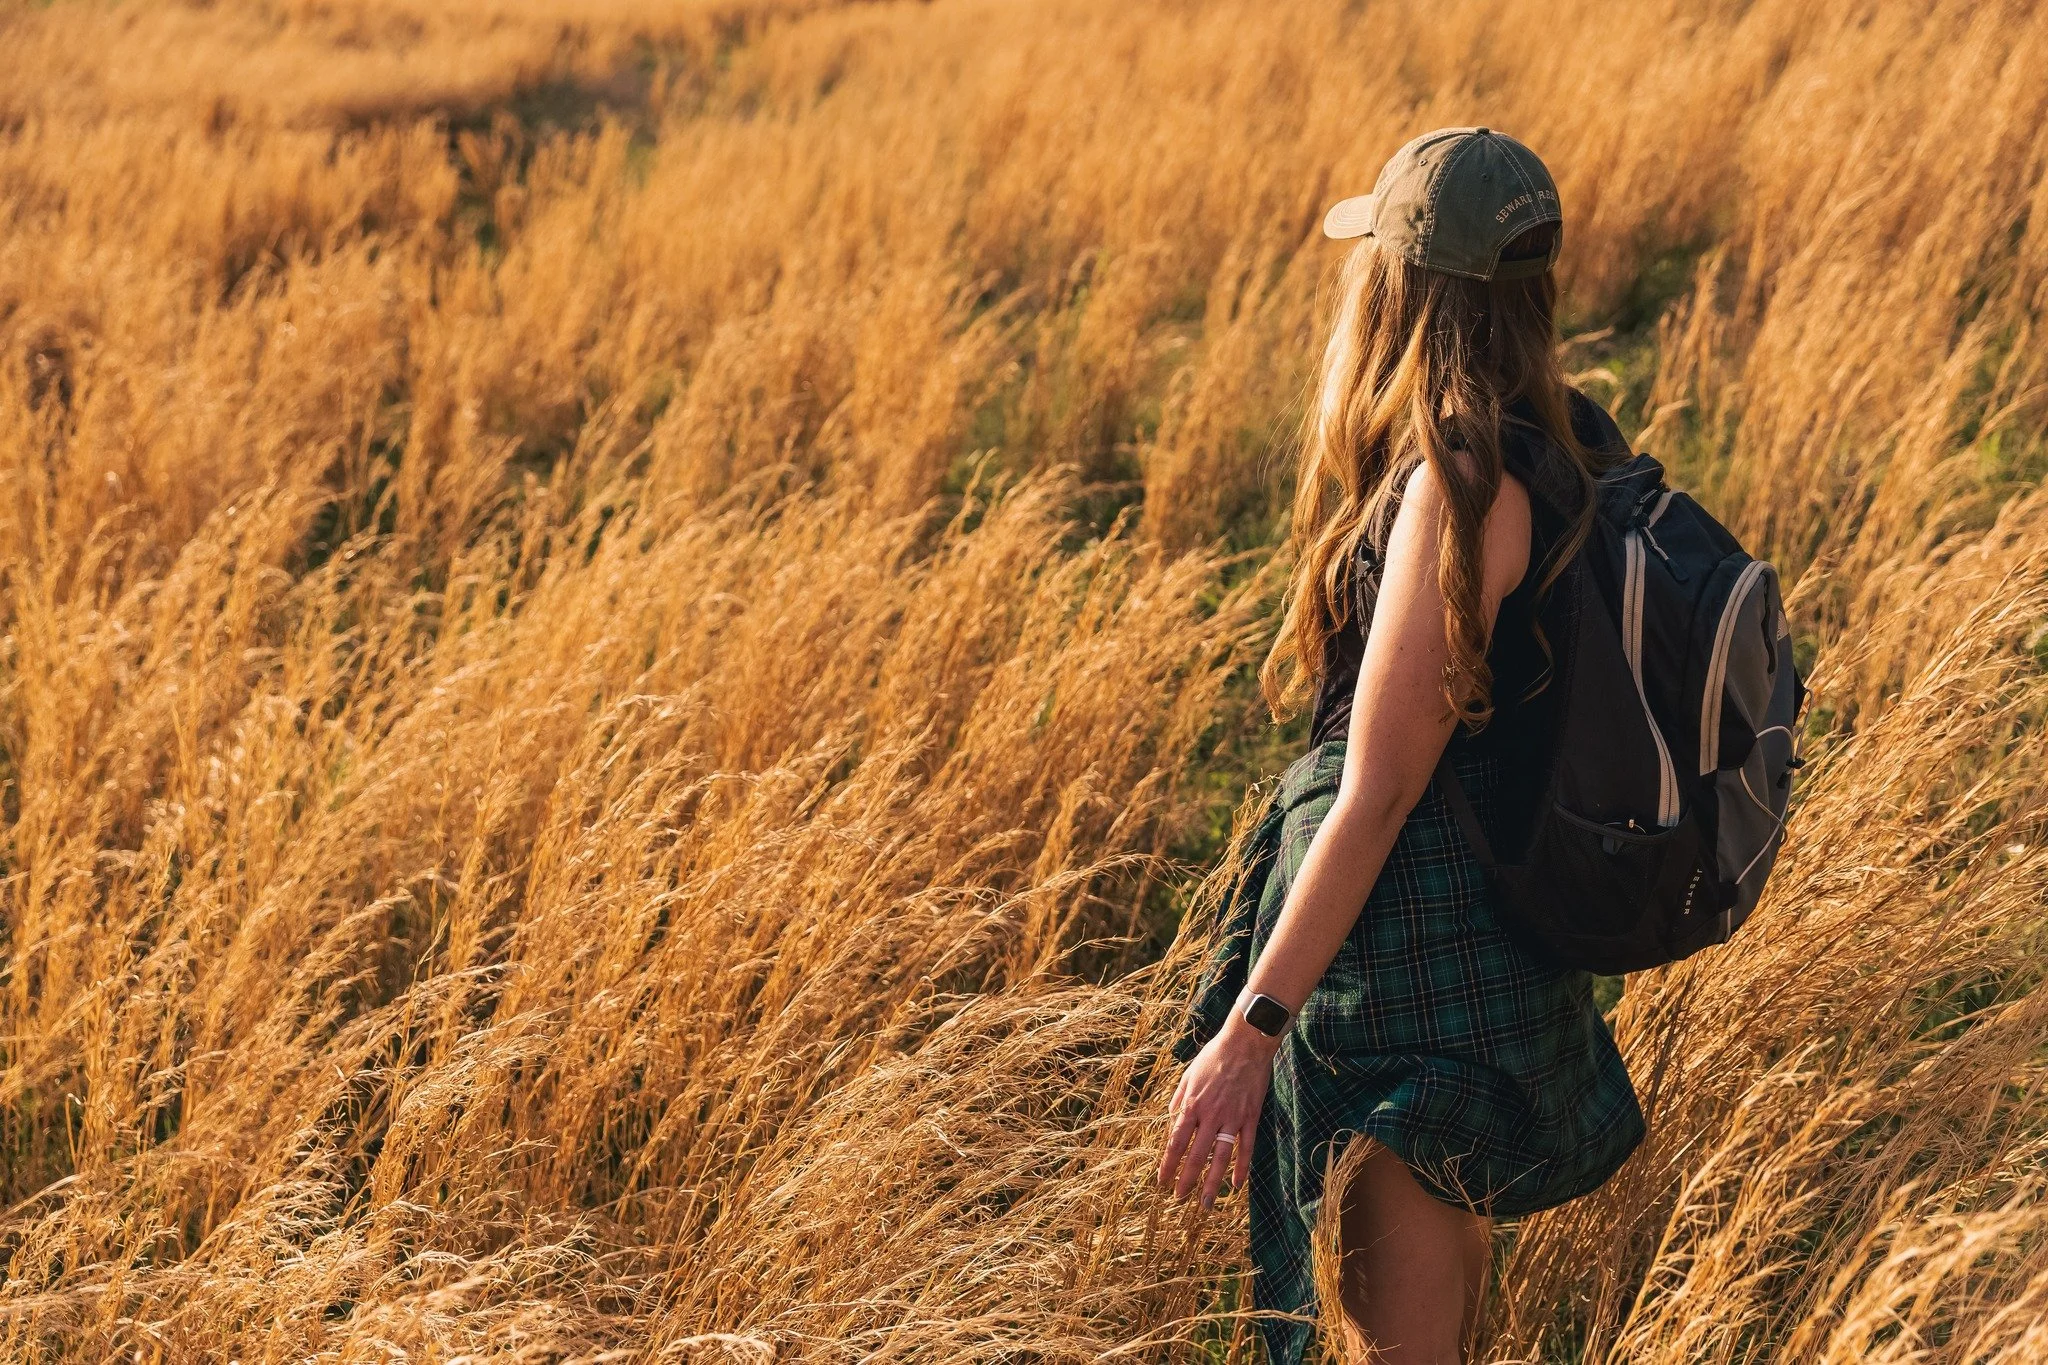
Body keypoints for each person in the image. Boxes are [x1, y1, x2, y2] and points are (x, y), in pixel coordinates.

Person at [1157, 128, 1646, 1364]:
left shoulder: (1457, 482)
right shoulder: (1572, 441)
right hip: (1485, 959)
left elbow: (1378, 791)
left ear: (1401, 284)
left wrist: (1248, 1035)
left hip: (1416, 990)